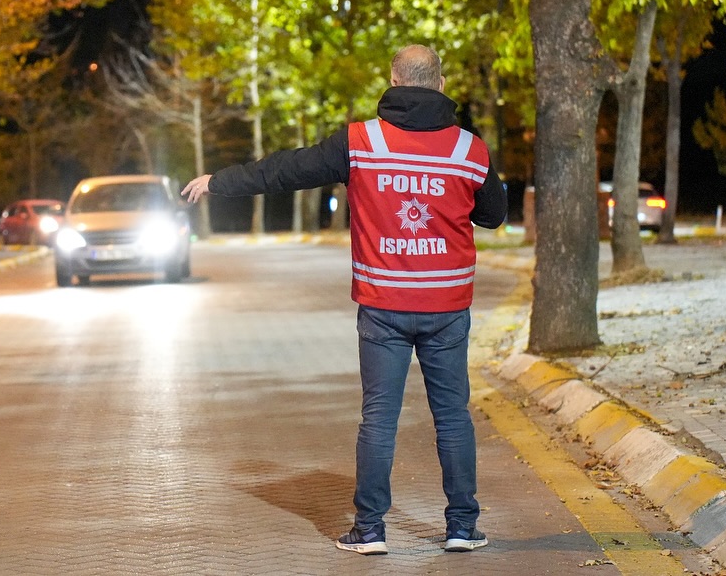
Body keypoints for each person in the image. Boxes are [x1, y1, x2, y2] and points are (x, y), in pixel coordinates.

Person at [181, 44, 507, 556]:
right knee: (452, 415)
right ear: (441, 85)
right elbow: (493, 215)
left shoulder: (360, 141)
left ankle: (370, 530)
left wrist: (220, 181)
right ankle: (462, 527)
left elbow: (288, 170)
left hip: (383, 307)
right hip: (447, 308)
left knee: (379, 417)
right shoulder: (469, 150)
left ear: (393, 79)